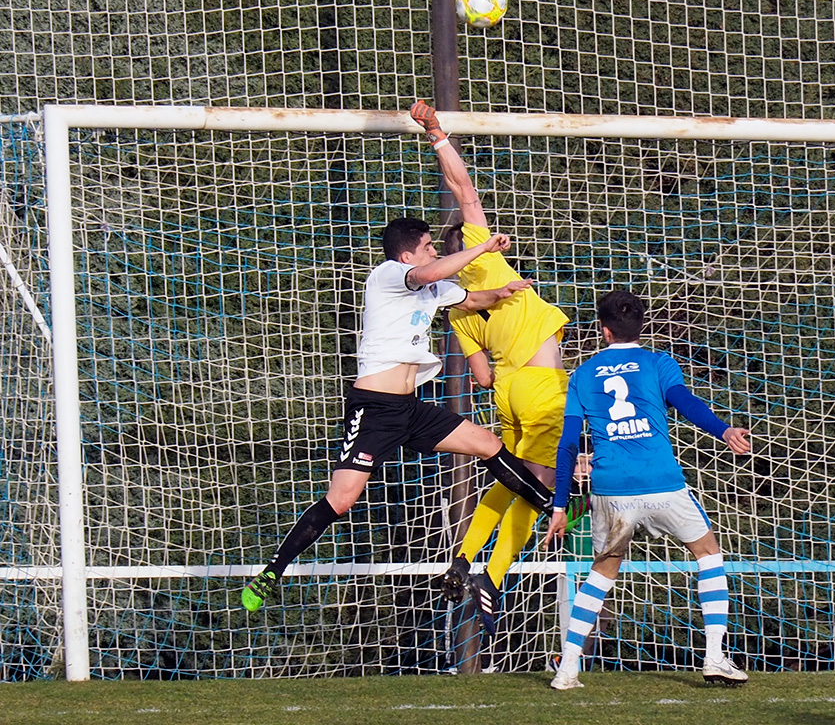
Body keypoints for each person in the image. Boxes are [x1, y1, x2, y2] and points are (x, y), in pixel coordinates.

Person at [240, 216, 585, 612]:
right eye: (427, 246)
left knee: (487, 444)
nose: (435, 251)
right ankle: (273, 570)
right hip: (374, 409)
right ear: (407, 256)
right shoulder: (388, 275)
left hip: (410, 408)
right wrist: (482, 247)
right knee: (341, 500)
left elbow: (471, 299)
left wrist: (502, 291)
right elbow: (433, 271)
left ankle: (553, 503)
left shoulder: (432, 288)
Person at [409, 100, 588, 636]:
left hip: (506, 394)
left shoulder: (456, 308)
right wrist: (438, 132)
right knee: (550, 489)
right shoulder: (484, 259)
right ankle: (492, 574)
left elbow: (482, 377)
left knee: (514, 480)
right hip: (540, 388)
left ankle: (462, 557)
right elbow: (466, 190)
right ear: (463, 248)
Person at [543, 290, 752, 689]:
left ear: (603, 330)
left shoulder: (583, 375)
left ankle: (568, 668)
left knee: (602, 572)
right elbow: (684, 402)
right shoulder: (658, 362)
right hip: (661, 483)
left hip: (611, 488)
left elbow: (569, 443)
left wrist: (559, 505)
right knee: (708, 554)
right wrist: (723, 430)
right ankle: (713, 656)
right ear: (642, 325)